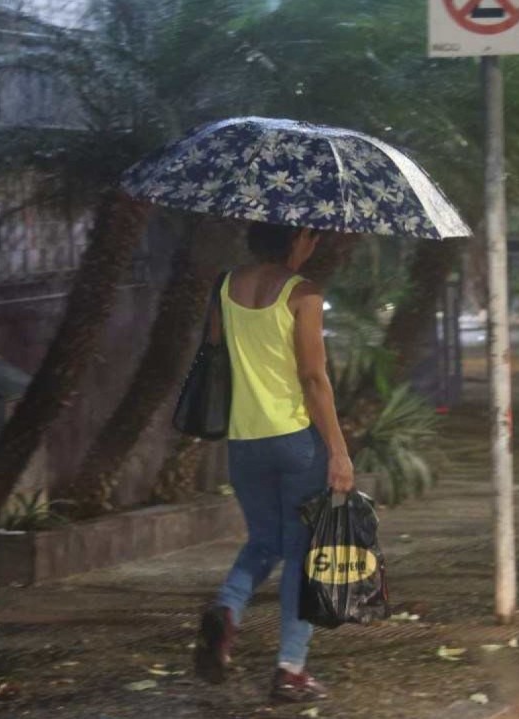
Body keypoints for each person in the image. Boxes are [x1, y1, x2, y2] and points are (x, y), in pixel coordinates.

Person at [193, 222, 355, 703]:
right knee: (301, 555)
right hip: (295, 440)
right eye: (310, 235)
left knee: (264, 542)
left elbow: (216, 349)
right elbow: (313, 377)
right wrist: (339, 451)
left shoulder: (223, 285)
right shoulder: (303, 294)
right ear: (297, 240)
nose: (314, 243)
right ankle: (290, 669)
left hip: (244, 441)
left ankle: (226, 609)